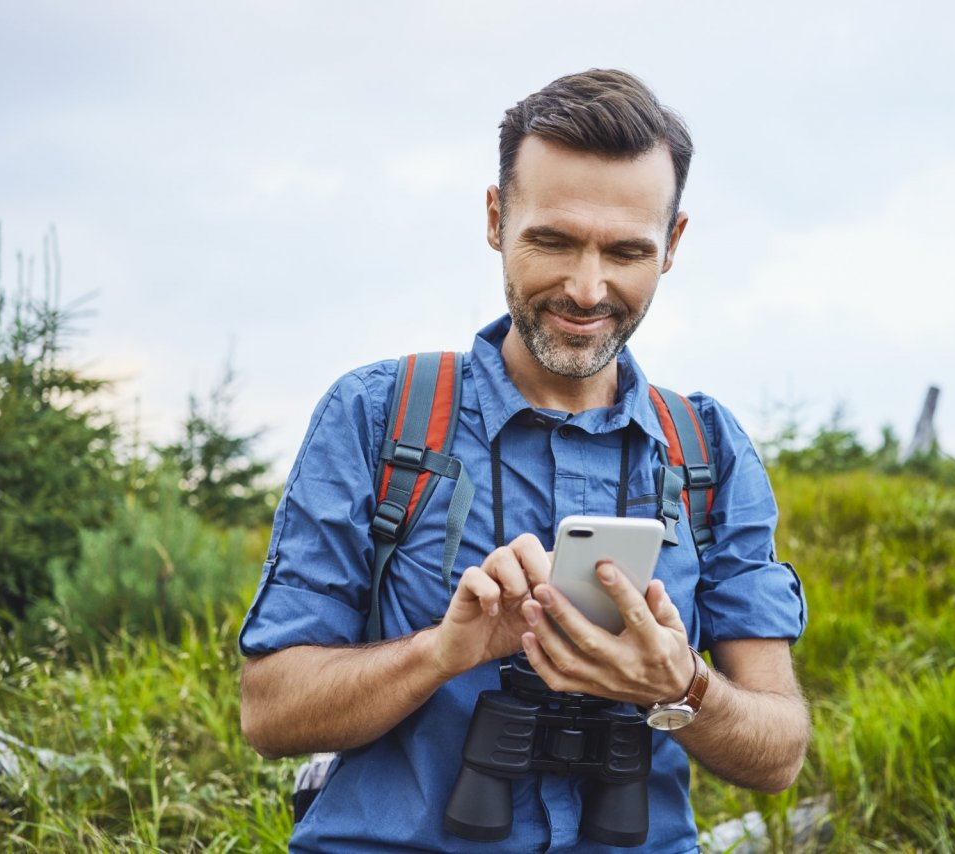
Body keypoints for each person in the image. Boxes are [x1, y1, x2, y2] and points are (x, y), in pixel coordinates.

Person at [239, 68, 809, 853]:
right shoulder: (376, 416)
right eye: (554, 241)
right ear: (495, 218)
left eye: (626, 251)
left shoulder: (708, 448)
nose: (588, 288)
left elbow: (779, 754)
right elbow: (270, 713)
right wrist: (443, 653)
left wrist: (679, 684)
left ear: (673, 245)